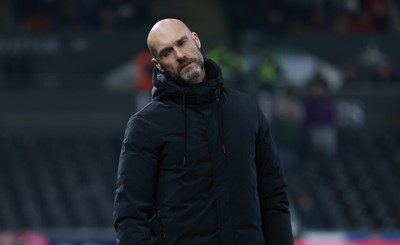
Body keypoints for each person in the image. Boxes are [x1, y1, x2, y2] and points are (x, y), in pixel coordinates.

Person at [113, 18, 293, 245]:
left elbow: (274, 196)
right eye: (167, 52)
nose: (180, 55)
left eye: (182, 42)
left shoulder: (246, 110)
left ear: (196, 39)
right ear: (157, 64)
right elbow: (130, 214)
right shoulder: (145, 126)